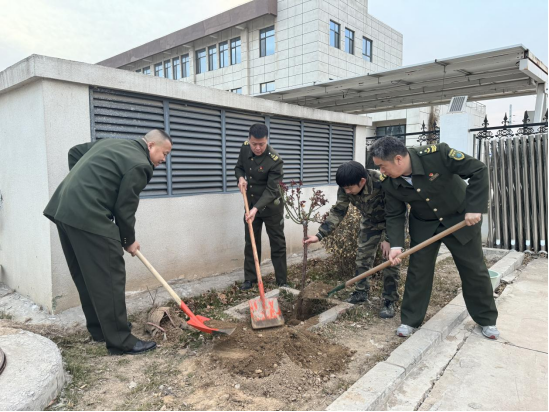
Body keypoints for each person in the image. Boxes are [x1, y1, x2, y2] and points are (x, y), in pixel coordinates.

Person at [43, 130, 173, 355]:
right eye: (164, 153)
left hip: (63, 210)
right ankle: (121, 341)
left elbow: (75, 152)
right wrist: (128, 241)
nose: (164, 159)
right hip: (89, 216)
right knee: (110, 275)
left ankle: (101, 329)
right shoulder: (140, 165)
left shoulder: (112, 144)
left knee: (86, 275)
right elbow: (125, 208)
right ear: (151, 145)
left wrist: (86, 185)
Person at [370, 136, 500, 339]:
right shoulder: (389, 183)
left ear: (398, 159)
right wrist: (396, 244)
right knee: (418, 271)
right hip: (424, 224)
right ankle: (410, 320)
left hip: (460, 219)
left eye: (382, 166)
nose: (381, 172)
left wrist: (475, 207)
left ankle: (487, 320)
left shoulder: (438, 155)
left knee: (473, 270)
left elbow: (478, 170)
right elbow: (395, 214)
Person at [304, 161, 400, 318]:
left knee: (390, 260)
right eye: (344, 188)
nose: (347, 192)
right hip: (370, 222)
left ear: (362, 181)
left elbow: (395, 212)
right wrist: (319, 235)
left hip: (391, 222)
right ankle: (361, 292)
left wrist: (389, 239)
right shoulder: (345, 186)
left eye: (349, 188)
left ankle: (390, 300)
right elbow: (339, 210)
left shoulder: (382, 182)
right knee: (363, 258)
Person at [235, 123, 287, 290]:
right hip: (250, 205)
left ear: (267, 140)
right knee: (251, 242)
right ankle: (250, 279)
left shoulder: (275, 160)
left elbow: (272, 190)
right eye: (254, 144)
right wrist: (240, 178)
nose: (257, 148)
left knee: (277, 244)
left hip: (271, 208)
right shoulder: (244, 149)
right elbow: (238, 167)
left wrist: (256, 209)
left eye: (261, 144)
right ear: (249, 140)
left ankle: (282, 281)